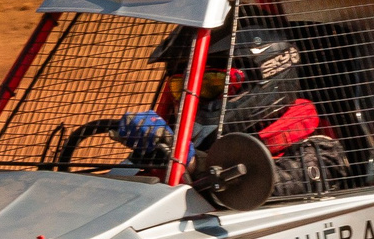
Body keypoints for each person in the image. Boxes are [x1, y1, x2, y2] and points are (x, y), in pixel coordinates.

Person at [114, 11, 348, 198]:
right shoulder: (192, 140)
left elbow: (265, 187)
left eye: (211, 84)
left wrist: (193, 163)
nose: (195, 99)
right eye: (179, 87)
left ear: (269, 75)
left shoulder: (321, 153)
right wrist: (151, 153)